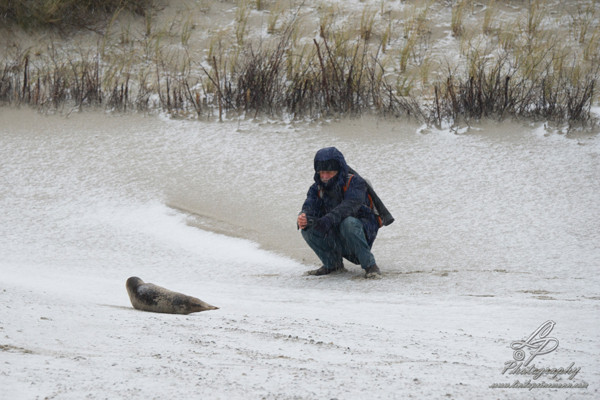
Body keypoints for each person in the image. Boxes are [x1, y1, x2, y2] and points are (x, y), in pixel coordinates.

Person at [297, 147, 385, 279]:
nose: (325, 177)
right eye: (322, 172)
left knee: (348, 223)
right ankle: (332, 265)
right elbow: (309, 206)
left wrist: (327, 220)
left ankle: (370, 266)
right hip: (333, 229)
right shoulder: (316, 188)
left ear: (339, 170)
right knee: (307, 227)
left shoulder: (355, 183)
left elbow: (349, 206)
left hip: (361, 231)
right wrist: (303, 216)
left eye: (329, 172)